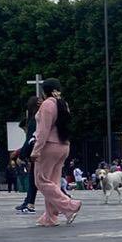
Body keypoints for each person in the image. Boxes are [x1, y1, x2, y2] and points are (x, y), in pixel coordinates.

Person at [30, 79, 82, 228]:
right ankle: (50, 217)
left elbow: (43, 130)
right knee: (53, 182)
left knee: (41, 181)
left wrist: (36, 150)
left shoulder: (48, 104)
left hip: (49, 146)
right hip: (63, 146)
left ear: (44, 92)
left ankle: (70, 205)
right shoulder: (63, 104)